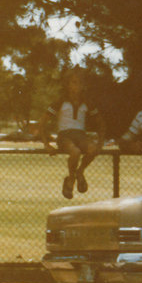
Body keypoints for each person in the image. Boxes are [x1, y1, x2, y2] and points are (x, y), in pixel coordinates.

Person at [41, 68, 105, 199]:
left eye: (80, 83)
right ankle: (70, 180)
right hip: (65, 136)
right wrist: (46, 144)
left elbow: (101, 123)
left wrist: (100, 142)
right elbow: (42, 122)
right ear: (68, 84)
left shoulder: (87, 102)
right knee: (75, 152)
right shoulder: (60, 102)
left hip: (81, 135)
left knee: (93, 149)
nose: (77, 86)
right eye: (74, 82)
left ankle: (80, 172)